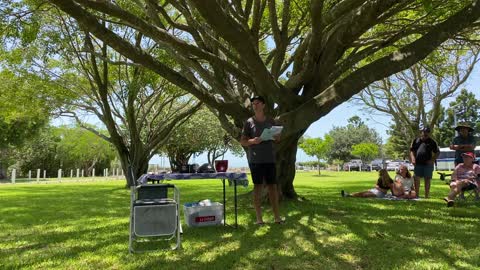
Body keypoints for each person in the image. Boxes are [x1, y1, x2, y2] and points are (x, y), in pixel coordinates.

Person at [240, 96, 283, 225]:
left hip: (269, 159)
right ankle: (259, 219)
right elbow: (243, 141)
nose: (255, 105)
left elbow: (278, 139)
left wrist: (276, 137)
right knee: (257, 188)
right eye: (253, 104)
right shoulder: (249, 122)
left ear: (263, 105)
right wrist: (253, 141)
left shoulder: (271, 121)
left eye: (257, 103)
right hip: (256, 160)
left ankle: (277, 218)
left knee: (272, 188)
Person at [409, 127, 439, 198]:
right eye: (424, 132)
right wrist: (413, 158)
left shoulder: (432, 142)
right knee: (416, 179)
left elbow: (437, 152)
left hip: (427, 164)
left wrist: (432, 160)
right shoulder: (415, 141)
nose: (425, 133)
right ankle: (417, 195)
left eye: (427, 132)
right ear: (421, 132)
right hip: (418, 163)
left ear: (429, 133)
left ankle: (426, 196)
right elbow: (411, 150)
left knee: (427, 179)